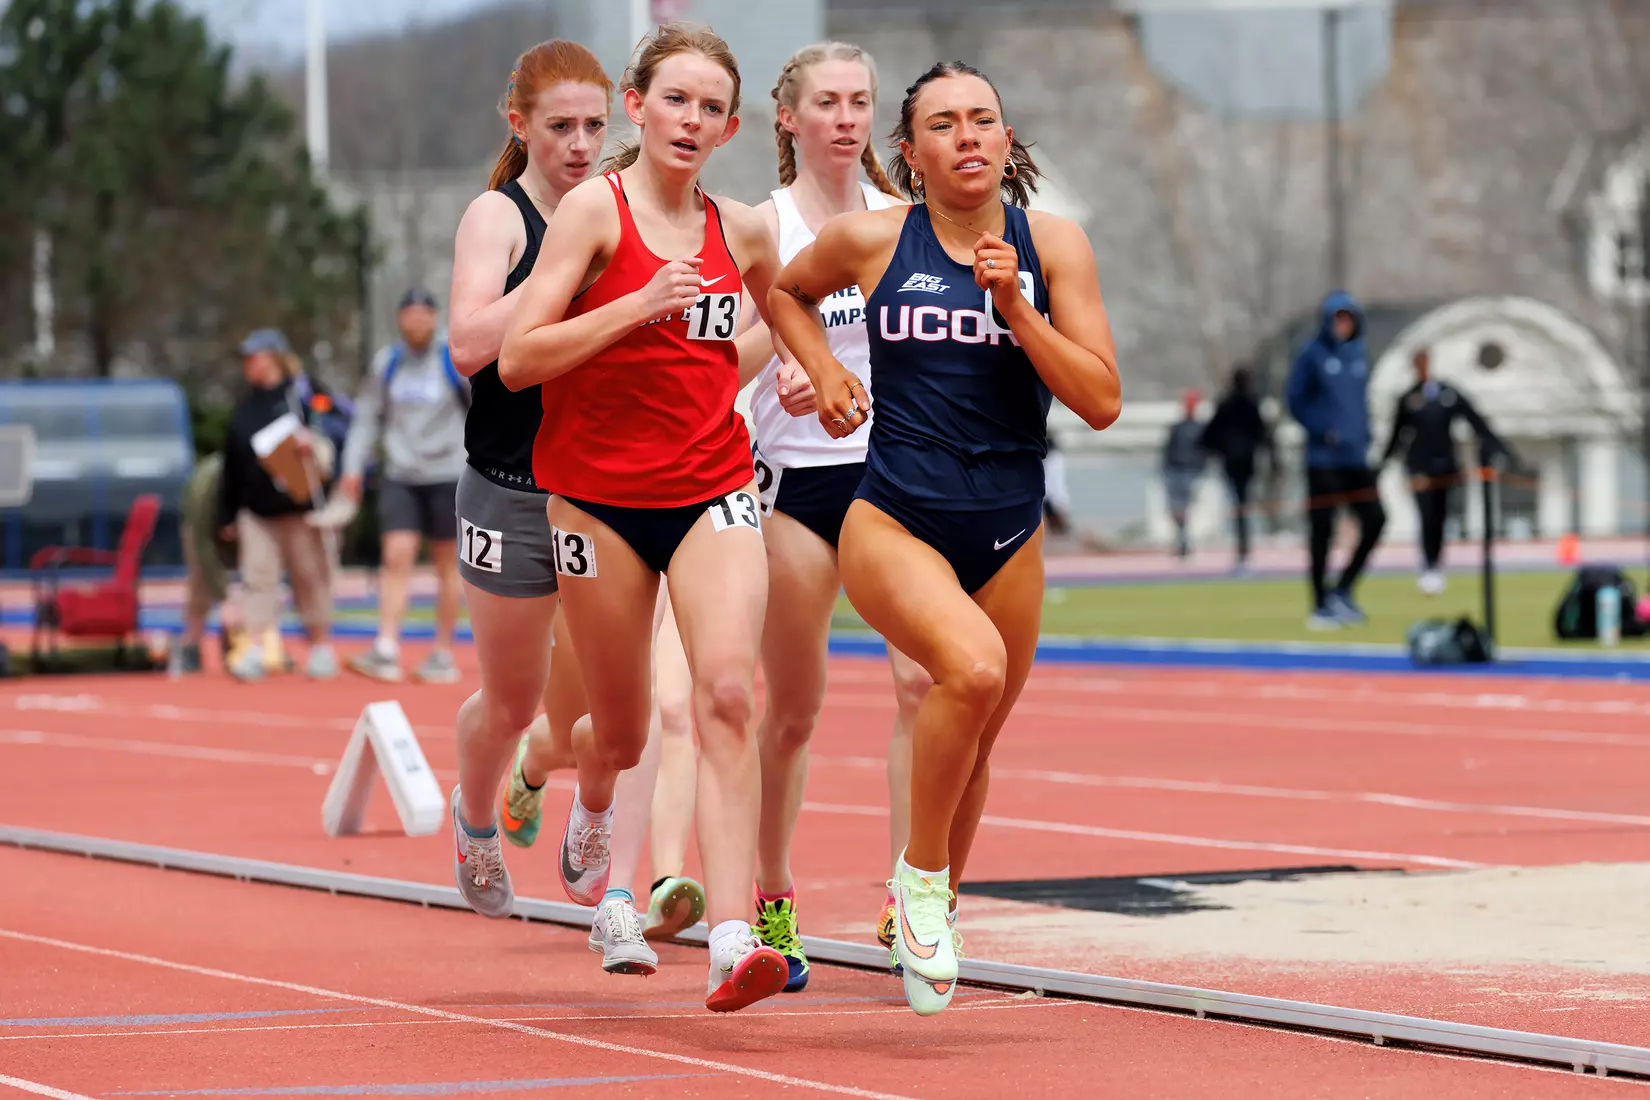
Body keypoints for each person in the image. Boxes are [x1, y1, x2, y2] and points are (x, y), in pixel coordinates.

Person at [766, 60, 1121, 1015]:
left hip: (1010, 526)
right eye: (945, 125)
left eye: (984, 121)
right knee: (967, 672)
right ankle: (921, 884)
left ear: (1008, 143)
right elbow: (783, 291)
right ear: (911, 153)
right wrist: (825, 374)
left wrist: (1019, 312)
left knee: (976, 736)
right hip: (892, 518)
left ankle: (926, 906)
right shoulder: (875, 239)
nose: (968, 137)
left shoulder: (1054, 248)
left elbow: (1100, 400)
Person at [499, 22, 790, 1014]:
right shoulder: (594, 210)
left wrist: (818, 369)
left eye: (711, 108)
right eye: (676, 100)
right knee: (616, 730)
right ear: (637, 105)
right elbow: (517, 360)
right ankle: (545, 758)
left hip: (713, 486)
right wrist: (636, 308)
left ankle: (736, 935)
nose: (692, 120)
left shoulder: (743, 229)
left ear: (732, 126)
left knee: (725, 694)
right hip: (596, 499)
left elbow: (779, 312)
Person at [707, 40, 935, 993]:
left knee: (924, 684)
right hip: (798, 486)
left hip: (899, 479)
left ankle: (909, 898)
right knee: (792, 712)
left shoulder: (905, 222)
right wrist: (786, 367)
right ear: (789, 119)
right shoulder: (759, 225)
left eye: (860, 102)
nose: (845, 118)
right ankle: (772, 892)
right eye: (828, 103)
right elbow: (718, 363)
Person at [439, 39, 612, 931]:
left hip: (602, 486)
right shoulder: (497, 218)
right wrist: (559, 277)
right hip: (507, 487)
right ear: (520, 125)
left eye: (594, 124)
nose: (581, 144)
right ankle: (474, 825)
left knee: (613, 699)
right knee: (511, 699)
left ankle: (598, 827)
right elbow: (470, 345)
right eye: (560, 127)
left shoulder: (621, 207)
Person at [338, 287, 471, 684]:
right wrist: (352, 466)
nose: (416, 321)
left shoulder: (453, 359)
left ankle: (443, 651)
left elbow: (483, 411)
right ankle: (386, 646)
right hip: (401, 474)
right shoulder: (389, 363)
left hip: (448, 473)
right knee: (396, 556)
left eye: (423, 314)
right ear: (400, 319)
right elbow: (366, 417)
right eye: (409, 314)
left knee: (447, 564)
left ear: (434, 319)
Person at [215, 329, 342, 682]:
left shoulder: (303, 394)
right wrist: (226, 515)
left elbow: (335, 425)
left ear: (273, 357)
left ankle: (320, 646)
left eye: (254, 357)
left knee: (310, 578)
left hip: (300, 510)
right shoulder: (245, 405)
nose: (248, 365)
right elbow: (232, 464)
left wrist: (312, 443)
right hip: (257, 513)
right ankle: (254, 648)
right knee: (257, 579)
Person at [1377, 347, 1514, 595]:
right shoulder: (1409, 398)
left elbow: (1475, 419)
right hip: (1419, 469)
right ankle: (1428, 566)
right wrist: (1380, 466)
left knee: (1440, 517)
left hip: (1446, 467)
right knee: (1426, 516)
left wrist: (1499, 448)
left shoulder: (1447, 393)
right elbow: (1396, 436)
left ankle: (1436, 565)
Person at [1286, 291, 1385, 630]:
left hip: (1356, 458)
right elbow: (1295, 400)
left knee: (1376, 519)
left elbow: (1361, 405)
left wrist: (1366, 437)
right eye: (1337, 317)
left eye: (1348, 317)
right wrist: (1322, 430)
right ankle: (1319, 604)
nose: (1343, 323)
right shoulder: (1311, 354)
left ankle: (1342, 590)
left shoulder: (1360, 355)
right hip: (1323, 460)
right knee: (1322, 531)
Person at [1198, 365, 1272, 572]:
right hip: (1241, 461)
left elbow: (1208, 435)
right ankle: (1243, 550)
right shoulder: (1246, 404)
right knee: (1241, 504)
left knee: (1240, 504)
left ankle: (1243, 550)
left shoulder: (1233, 404)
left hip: (1236, 461)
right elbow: (1263, 433)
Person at [1160, 388, 1205, 559]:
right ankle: (1181, 542)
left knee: (1186, 510)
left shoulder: (1199, 428)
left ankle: (1185, 544)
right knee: (1176, 511)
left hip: (1190, 472)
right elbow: (1168, 450)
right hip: (1175, 472)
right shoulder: (1177, 427)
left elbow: (1203, 452)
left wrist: (1200, 471)